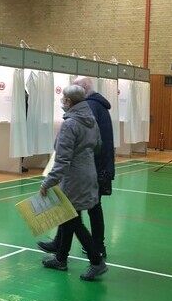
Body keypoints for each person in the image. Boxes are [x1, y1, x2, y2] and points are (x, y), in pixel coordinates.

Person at [38, 77, 115, 258]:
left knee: (74, 218)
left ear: (70, 101)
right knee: (70, 215)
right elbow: (97, 145)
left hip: (75, 177)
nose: (62, 102)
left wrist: (48, 183)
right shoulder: (91, 117)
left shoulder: (70, 124)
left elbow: (62, 160)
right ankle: (61, 254)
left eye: (64, 99)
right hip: (89, 171)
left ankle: (96, 258)